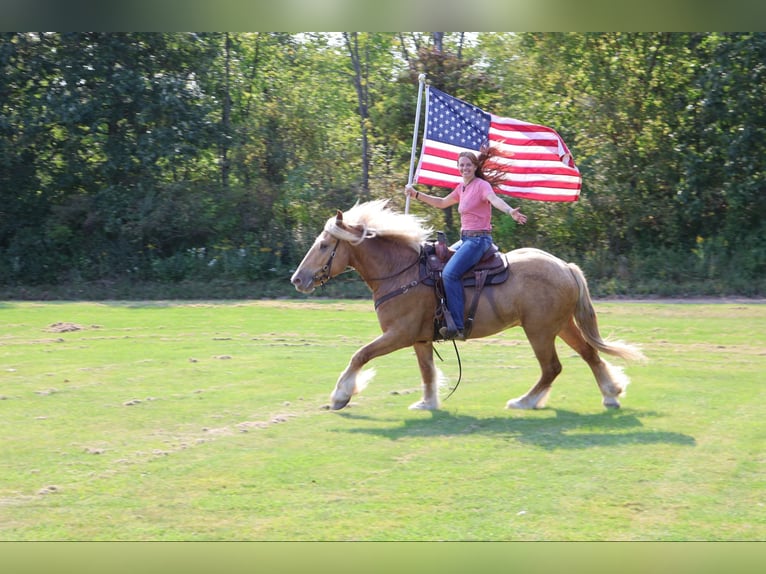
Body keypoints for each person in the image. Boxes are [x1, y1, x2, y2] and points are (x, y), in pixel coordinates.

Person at [405, 148, 527, 340]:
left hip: (479, 240)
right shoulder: (461, 187)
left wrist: (510, 211)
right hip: (465, 239)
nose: (465, 168)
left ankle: (457, 325)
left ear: (475, 166)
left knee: (450, 273)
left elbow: (494, 200)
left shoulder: (481, 185)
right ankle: (440, 314)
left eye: (468, 165)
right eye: (461, 165)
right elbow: (442, 202)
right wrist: (416, 195)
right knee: (437, 265)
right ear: (458, 167)